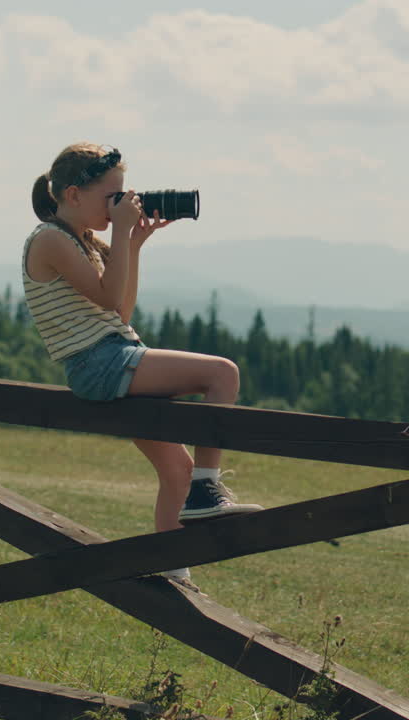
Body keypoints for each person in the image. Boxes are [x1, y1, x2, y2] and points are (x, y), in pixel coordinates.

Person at [23, 142, 262, 589]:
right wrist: (121, 236)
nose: (120, 205)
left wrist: (133, 243)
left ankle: (175, 571)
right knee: (222, 374)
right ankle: (208, 491)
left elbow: (122, 311)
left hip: (112, 357)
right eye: (111, 197)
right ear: (73, 195)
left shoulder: (83, 242)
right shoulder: (50, 239)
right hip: (100, 363)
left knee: (177, 470)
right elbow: (111, 301)